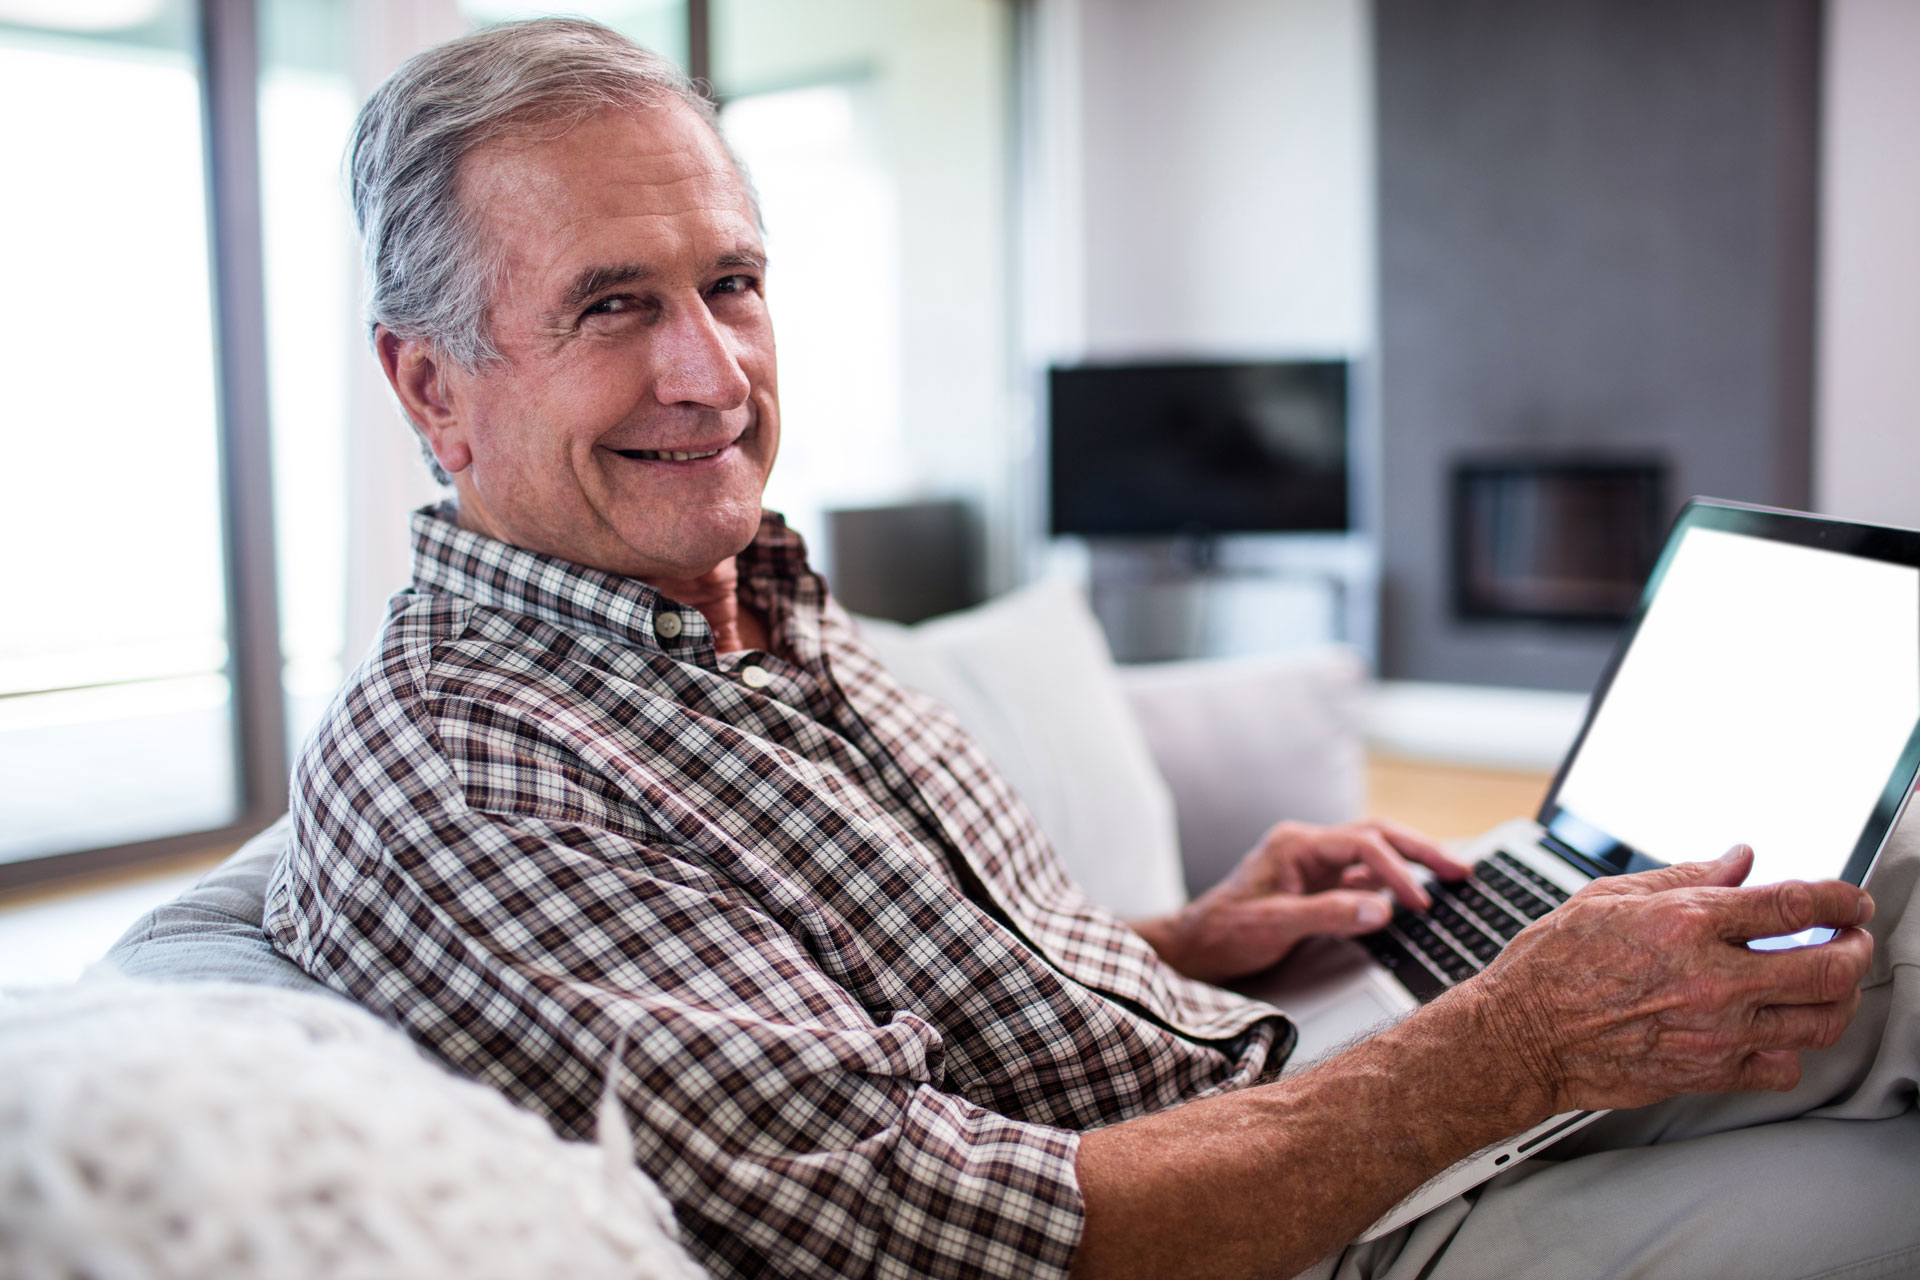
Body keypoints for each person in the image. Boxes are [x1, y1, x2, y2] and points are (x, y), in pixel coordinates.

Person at [266, 17, 1920, 1280]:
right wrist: (1504, 1042)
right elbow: (944, 1228)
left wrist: (1195, 941)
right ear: (431, 387)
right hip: (1274, 1229)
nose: (713, 374)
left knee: (1873, 874)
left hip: (1288, 1083)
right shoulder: (470, 768)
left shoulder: (738, 590)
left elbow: (863, 995)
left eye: (735, 282)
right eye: (612, 306)